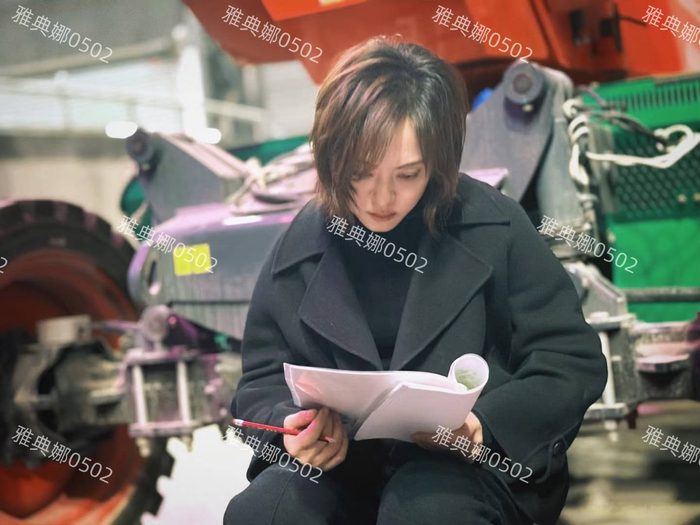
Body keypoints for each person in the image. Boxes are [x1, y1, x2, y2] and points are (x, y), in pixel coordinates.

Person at [224, 36, 608, 525]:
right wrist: (291, 428)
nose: (381, 198)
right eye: (360, 173)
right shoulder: (299, 248)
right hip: (341, 469)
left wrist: (483, 427)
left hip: (467, 469)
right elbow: (259, 380)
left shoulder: (495, 227)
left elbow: (569, 359)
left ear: (437, 162)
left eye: (407, 175)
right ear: (331, 158)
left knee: (428, 512)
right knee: (266, 512)